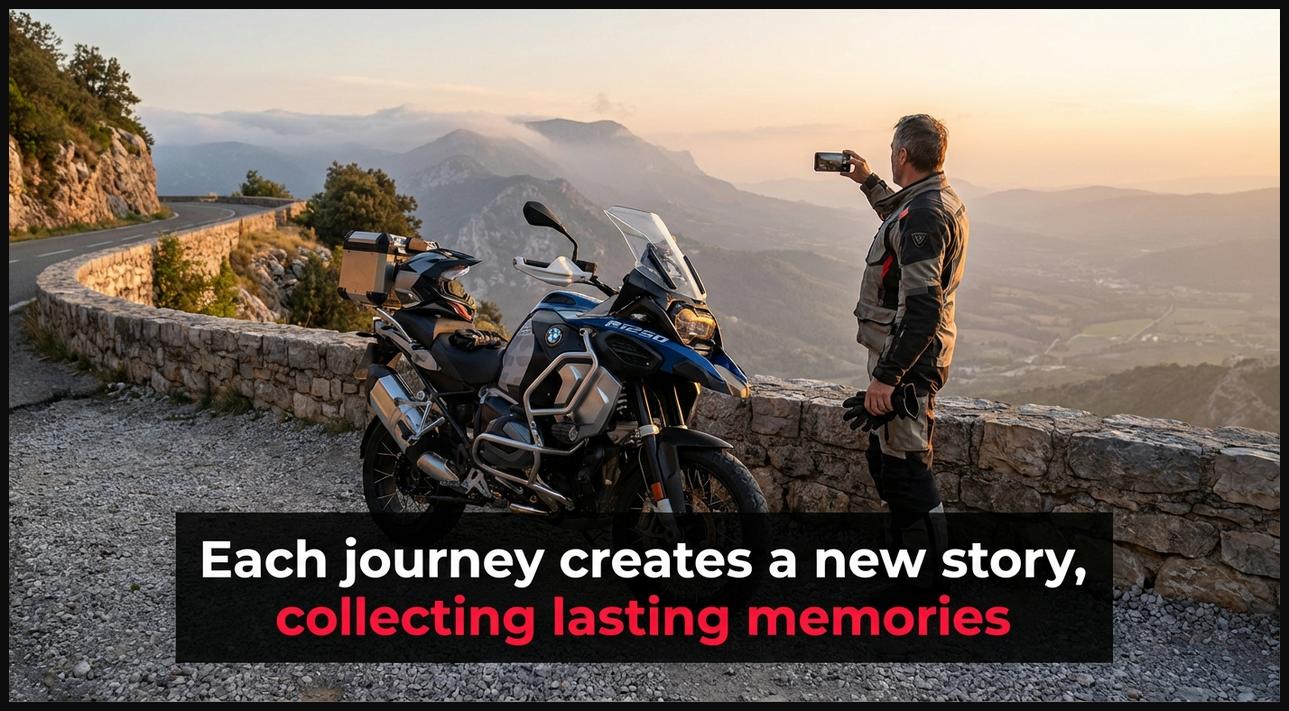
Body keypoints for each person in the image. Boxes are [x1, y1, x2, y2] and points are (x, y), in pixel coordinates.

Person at [839, 114, 970, 572]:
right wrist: (867, 180)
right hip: (906, 357)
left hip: (909, 363)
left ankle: (928, 583)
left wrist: (887, 378)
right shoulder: (929, 203)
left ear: (903, 154)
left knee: (907, 471)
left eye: (891, 152)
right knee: (889, 461)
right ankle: (909, 570)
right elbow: (900, 219)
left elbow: (922, 309)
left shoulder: (927, 215)